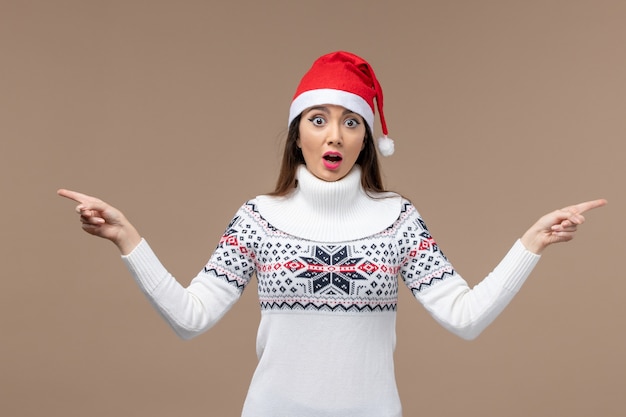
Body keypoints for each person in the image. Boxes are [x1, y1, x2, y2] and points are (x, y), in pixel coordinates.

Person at [58, 51, 606, 417]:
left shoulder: (397, 219)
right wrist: (127, 238)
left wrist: (530, 244)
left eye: (350, 120)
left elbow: (463, 317)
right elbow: (189, 318)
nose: (333, 134)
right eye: (317, 119)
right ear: (297, 135)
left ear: (366, 138)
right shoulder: (258, 218)